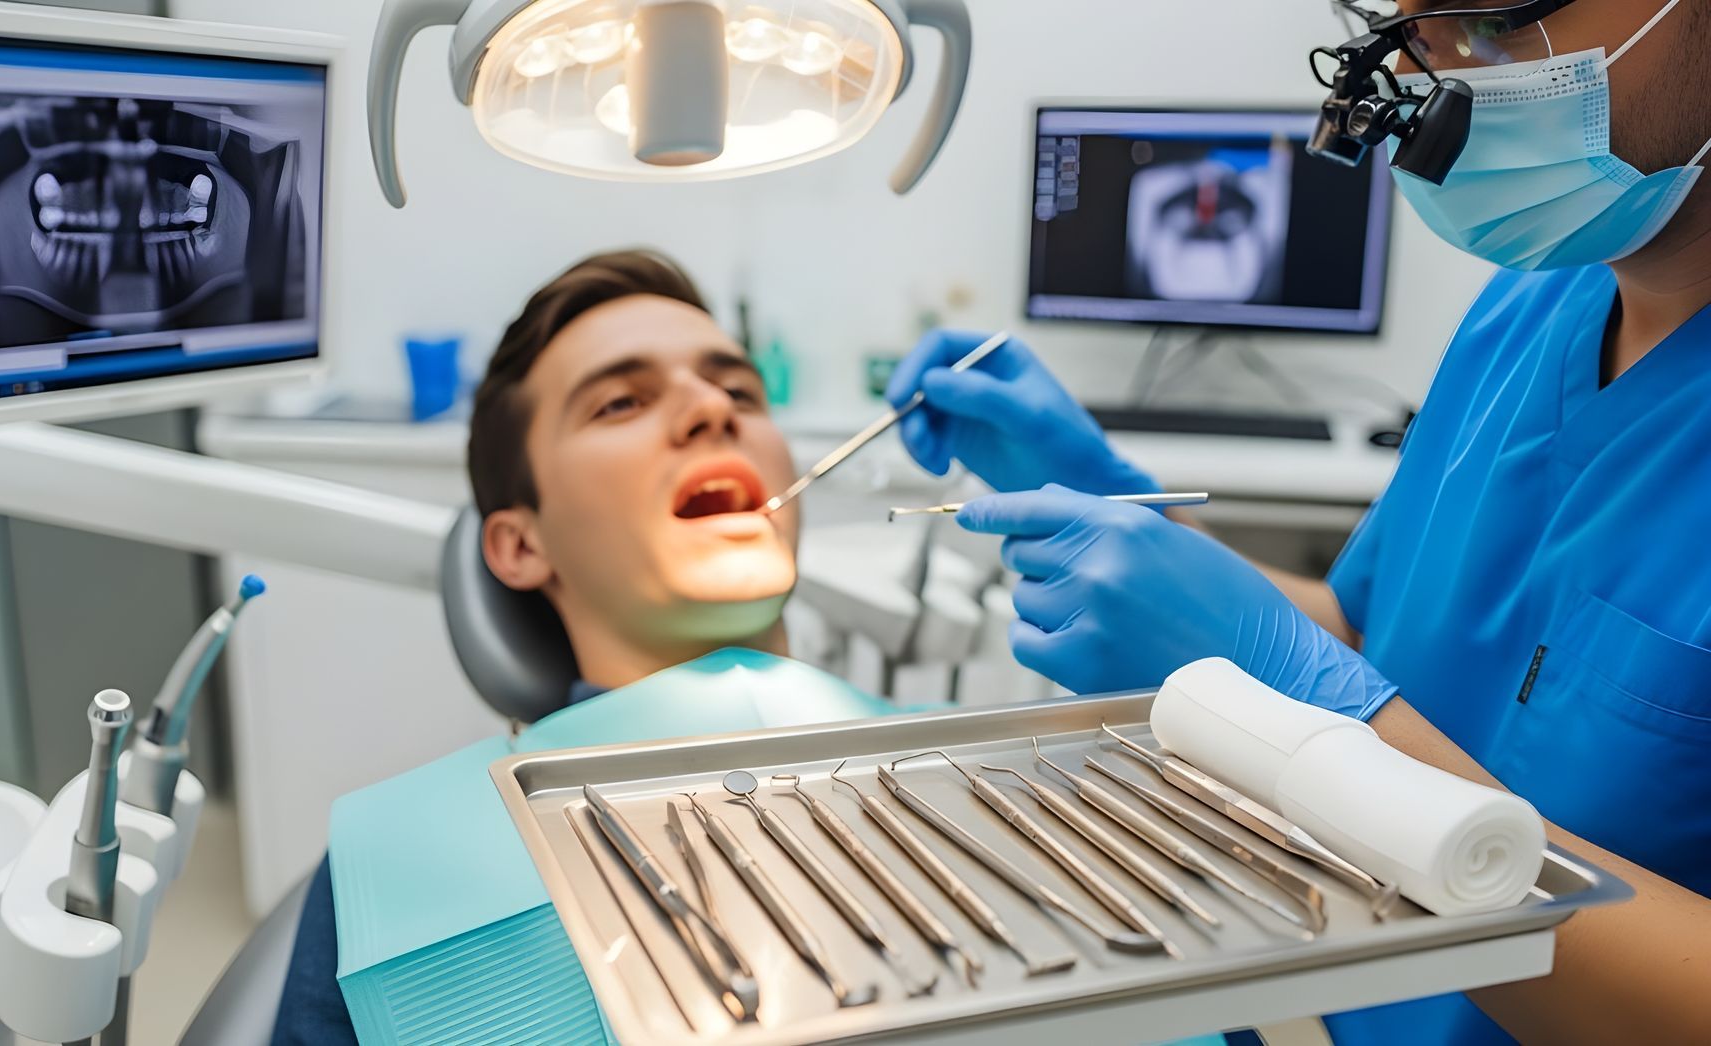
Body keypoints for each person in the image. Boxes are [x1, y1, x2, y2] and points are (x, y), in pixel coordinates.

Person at [887, 0, 1711, 1041]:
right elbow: (1376, 637)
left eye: (1498, 9)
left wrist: (1322, 718)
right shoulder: (1529, 304)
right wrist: (1105, 492)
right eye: (1406, 21)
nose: (1443, 67)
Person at [271, 249, 804, 1042]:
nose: (711, 410)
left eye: (737, 390)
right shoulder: (391, 867)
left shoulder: (965, 757)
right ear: (521, 547)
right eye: (621, 403)